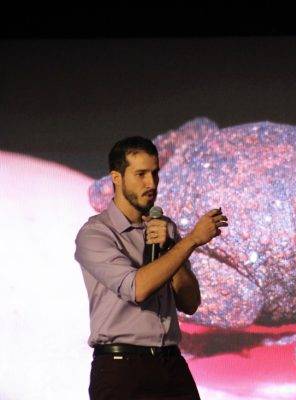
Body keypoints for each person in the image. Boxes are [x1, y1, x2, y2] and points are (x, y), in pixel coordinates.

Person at [75, 136, 228, 400]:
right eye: (141, 174)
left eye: (155, 173)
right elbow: (137, 288)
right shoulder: (95, 234)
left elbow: (190, 302)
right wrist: (192, 240)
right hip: (121, 368)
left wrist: (170, 247)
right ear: (116, 178)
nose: (152, 184)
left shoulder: (164, 228)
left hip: (171, 364)